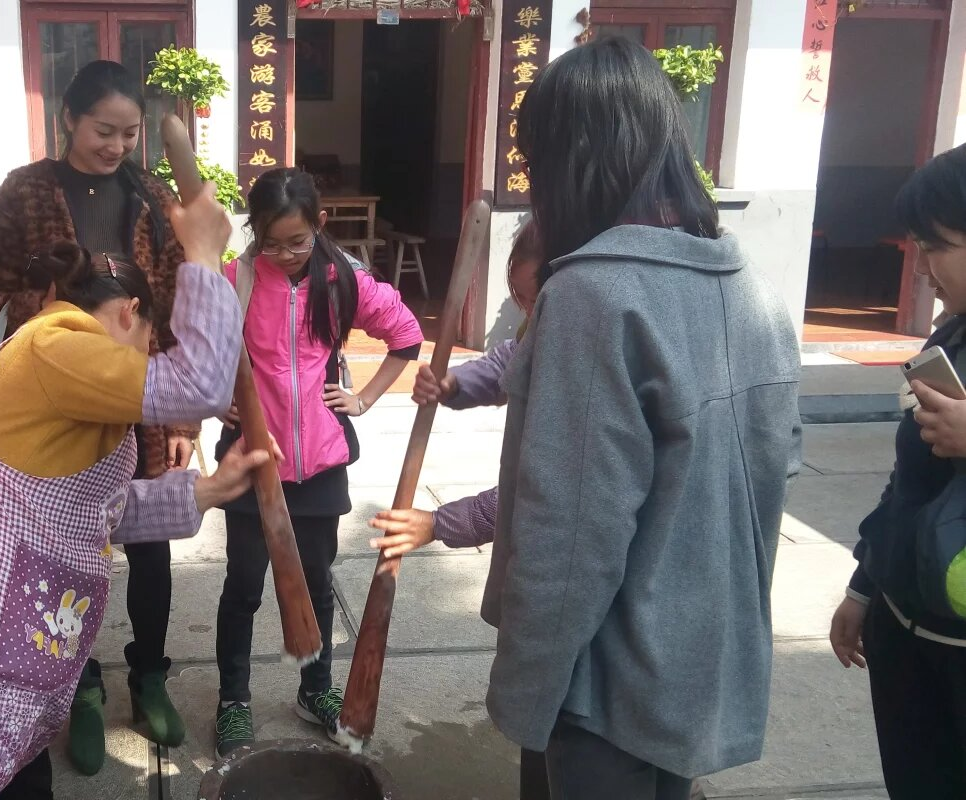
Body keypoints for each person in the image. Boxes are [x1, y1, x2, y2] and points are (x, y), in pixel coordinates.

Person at [453, 37, 800, 799]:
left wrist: (523, 689)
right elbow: (774, 475)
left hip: (605, 679)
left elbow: (571, 530)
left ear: (568, 162)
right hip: (700, 659)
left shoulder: (593, 296)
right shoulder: (756, 291)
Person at [0, 184, 257, 800]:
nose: (145, 360)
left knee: (17, 783)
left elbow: (87, 510)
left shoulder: (63, 377)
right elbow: (199, 386)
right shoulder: (55, 344)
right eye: (150, 342)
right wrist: (201, 256)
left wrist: (206, 491)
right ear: (130, 314)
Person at [0, 59, 198, 772]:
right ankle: (82, 687)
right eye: (104, 130)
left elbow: (178, 304)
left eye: (130, 133)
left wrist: (184, 419)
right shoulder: (25, 191)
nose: (117, 146)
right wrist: (46, 311)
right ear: (68, 118)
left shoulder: (152, 195)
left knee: (150, 544)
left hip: (141, 394)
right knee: (67, 549)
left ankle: (149, 676)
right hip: (61, 400)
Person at [212, 167, 424, 756]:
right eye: (270, 242)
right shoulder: (234, 280)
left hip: (321, 465)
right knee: (244, 587)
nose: (284, 255)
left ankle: (315, 690)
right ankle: (233, 702)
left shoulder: (344, 280)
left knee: (317, 584)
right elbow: (190, 347)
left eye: (297, 241)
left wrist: (363, 398)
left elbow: (406, 335)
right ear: (253, 230)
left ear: (320, 224)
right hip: (252, 462)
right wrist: (216, 397)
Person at [370, 220, 546, 799]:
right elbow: (510, 361)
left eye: (534, 299)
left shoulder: (587, 339)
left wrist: (439, 523)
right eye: (520, 299)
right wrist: (451, 384)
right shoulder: (548, 325)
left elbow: (540, 492)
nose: (528, 311)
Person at [829, 144, 966, 798]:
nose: (924, 267)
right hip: (906, 633)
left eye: (937, 246)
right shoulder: (948, 339)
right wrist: (865, 588)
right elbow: (906, 483)